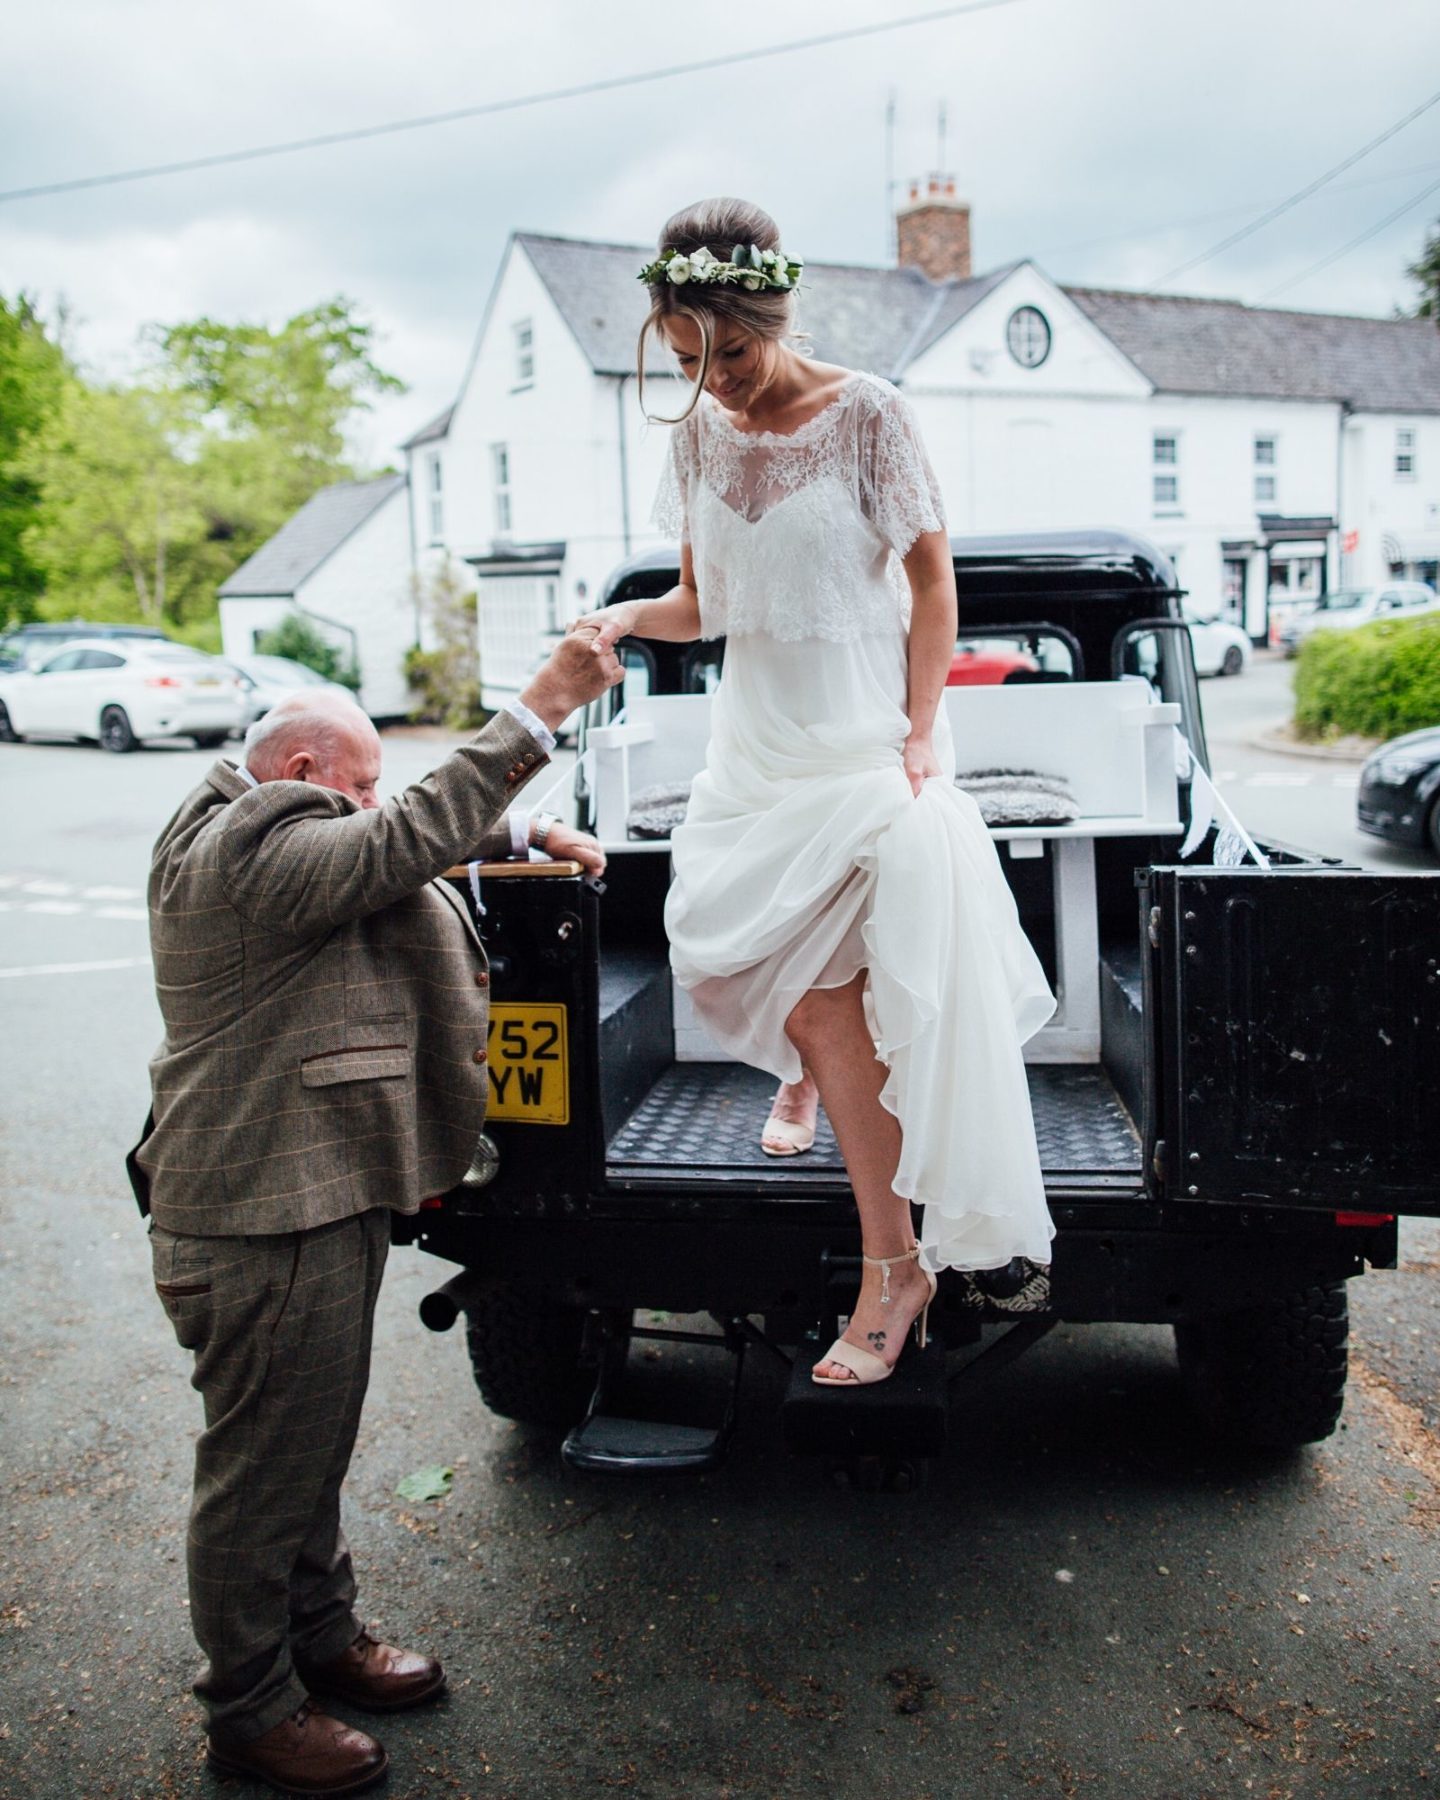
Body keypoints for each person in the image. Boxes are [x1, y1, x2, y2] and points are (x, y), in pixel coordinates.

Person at [578, 197, 1056, 1388]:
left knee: (836, 1005)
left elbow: (936, 586)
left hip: (858, 747)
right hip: (751, 756)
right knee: (758, 971)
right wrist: (626, 617)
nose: (718, 383)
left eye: (730, 355)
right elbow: (704, 607)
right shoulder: (696, 436)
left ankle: (895, 1271)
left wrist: (921, 729)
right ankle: (816, 1103)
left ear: (774, 320)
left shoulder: (870, 414)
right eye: (689, 361)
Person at [135, 638, 619, 1796]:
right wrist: (541, 710)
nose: (368, 804)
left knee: (308, 1448)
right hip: (262, 1215)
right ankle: (250, 1709)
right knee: (262, 1472)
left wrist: (519, 835)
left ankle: (321, 1639)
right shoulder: (248, 848)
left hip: (299, 1197)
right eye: (352, 785)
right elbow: (394, 842)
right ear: (299, 769)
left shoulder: (260, 821)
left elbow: (394, 831)